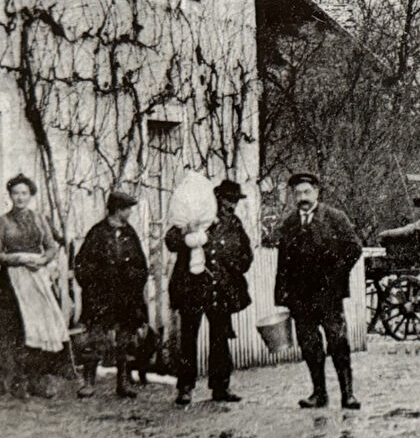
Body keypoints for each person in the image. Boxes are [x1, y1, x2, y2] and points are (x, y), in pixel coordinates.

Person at [274, 172, 364, 410]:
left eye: (307, 192)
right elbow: (283, 262)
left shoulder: (335, 218)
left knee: (338, 342)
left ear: (316, 192)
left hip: (328, 294)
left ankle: (348, 394)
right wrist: (282, 294)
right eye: (298, 193)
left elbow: (354, 248)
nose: (302, 198)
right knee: (310, 345)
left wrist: (337, 275)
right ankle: (319, 393)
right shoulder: (289, 224)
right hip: (300, 297)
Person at [165, 179, 254, 405]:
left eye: (235, 201)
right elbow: (171, 241)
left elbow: (246, 253)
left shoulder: (234, 224)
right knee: (188, 339)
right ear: (217, 198)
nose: (231, 205)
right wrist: (186, 231)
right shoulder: (198, 217)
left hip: (220, 291)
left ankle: (220, 387)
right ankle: (185, 388)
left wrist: (234, 267)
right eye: (228, 200)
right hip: (192, 290)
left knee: (220, 340)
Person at [0, 174, 69, 398]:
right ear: (10, 195)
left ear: (31, 195)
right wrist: (18, 258)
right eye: (16, 193)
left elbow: (51, 247)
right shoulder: (1, 222)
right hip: (11, 281)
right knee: (18, 329)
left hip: (37, 277)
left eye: (24, 193)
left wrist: (43, 261)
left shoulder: (40, 219)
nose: (20, 197)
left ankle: (37, 379)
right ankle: (18, 382)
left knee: (40, 327)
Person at [73, 190, 150, 400]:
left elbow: (141, 265)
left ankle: (122, 383)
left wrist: (133, 280)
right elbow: (81, 265)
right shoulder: (97, 233)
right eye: (127, 209)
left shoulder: (130, 234)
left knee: (125, 341)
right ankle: (89, 383)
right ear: (117, 210)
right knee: (96, 340)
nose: (130, 213)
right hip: (101, 297)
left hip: (125, 297)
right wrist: (96, 283)